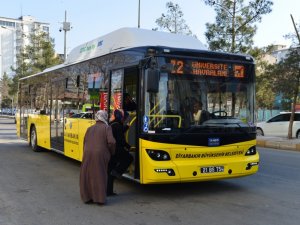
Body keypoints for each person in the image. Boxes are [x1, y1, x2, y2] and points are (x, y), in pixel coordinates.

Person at [79, 110, 116, 205]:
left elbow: (85, 141)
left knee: (88, 175)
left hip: (87, 153)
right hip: (100, 154)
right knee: (100, 175)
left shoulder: (89, 128)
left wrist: (85, 152)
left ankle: (87, 197)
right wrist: (111, 152)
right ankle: (99, 199)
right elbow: (112, 142)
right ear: (105, 117)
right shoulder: (107, 128)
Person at [107, 109, 133, 196]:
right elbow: (120, 140)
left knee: (110, 171)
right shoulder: (118, 126)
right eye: (124, 117)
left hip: (109, 150)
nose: (125, 119)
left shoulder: (112, 124)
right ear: (121, 117)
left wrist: (126, 127)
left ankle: (109, 191)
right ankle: (118, 172)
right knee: (129, 158)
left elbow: (120, 131)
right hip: (117, 150)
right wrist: (128, 146)